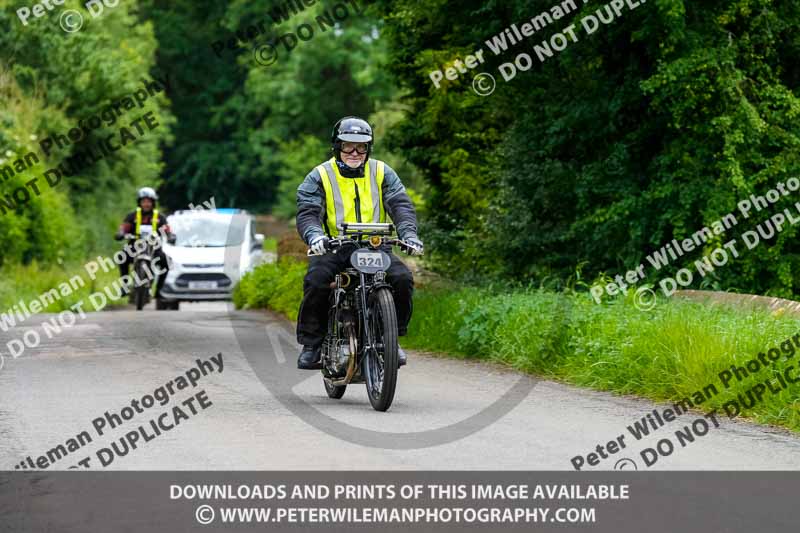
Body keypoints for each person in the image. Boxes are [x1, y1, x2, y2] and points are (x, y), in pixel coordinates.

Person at [295, 116, 423, 370]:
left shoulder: (382, 172)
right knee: (317, 280)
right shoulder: (320, 175)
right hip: (335, 246)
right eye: (348, 146)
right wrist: (315, 237)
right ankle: (312, 345)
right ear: (337, 146)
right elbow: (308, 212)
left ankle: (391, 338)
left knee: (402, 279)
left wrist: (409, 235)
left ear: (368, 148)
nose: (354, 152)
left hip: (376, 246)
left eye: (361, 147)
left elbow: (401, 206)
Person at [114, 187, 173, 299]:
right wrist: (120, 233)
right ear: (139, 202)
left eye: (149, 201)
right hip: (135, 247)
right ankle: (125, 286)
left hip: (154, 248)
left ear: (153, 202)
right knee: (121, 258)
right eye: (143, 201)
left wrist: (170, 236)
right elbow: (124, 227)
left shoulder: (159, 217)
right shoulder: (133, 216)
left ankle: (158, 291)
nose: (146, 204)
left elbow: (167, 230)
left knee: (167, 262)